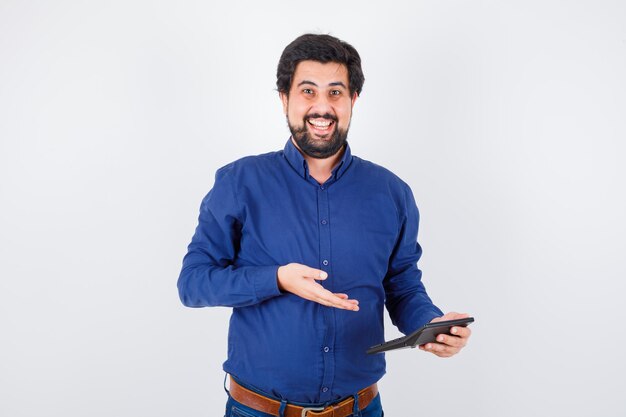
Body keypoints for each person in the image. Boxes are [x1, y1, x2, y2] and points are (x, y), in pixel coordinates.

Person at [177, 33, 472, 417]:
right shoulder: (239, 183)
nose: (322, 106)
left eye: (335, 92)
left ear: (353, 101)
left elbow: (401, 285)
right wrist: (277, 278)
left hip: (361, 409)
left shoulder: (392, 192)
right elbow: (194, 283)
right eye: (308, 91)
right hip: (259, 410)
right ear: (285, 99)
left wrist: (432, 325)